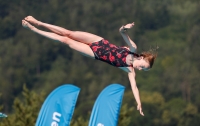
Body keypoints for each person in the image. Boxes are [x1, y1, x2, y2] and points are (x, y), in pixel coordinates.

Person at [22, 16, 157, 116]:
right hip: (99, 41)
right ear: (142, 57)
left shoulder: (129, 70)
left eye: (143, 70)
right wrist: (125, 27)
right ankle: (38, 22)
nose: (140, 68)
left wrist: (138, 102)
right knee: (68, 33)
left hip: (94, 53)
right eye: (143, 66)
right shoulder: (133, 48)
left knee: (65, 40)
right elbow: (121, 32)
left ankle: (33, 29)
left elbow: (134, 87)